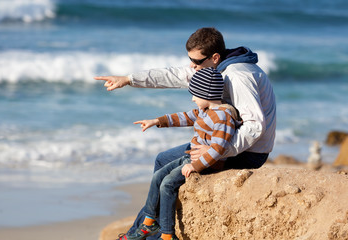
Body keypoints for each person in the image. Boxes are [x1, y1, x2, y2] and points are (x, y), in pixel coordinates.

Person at [95, 27, 276, 240]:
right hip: (225, 143)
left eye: (196, 61)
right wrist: (128, 79)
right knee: (162, 160)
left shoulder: (238, 76)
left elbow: (255, 126)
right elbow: (175, 75)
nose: (192, 65)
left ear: (215, 57)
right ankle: (144, 229)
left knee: (165, 169)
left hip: (247, 151)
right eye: (190, 59)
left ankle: (147, 234)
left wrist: (216, 152)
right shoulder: (215, 68)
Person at [127, 67, 241, 240]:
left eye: (195, 94)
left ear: (207, 94)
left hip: (207, 164)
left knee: (167, 185)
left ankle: (167, 235)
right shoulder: (206, 111)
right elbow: (185, 117)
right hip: (191, 156)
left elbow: (218, 149)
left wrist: (195, 166)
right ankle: (148, 224)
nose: (193, 99)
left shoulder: (223, 116)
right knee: (158, 176)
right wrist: (157, 121)